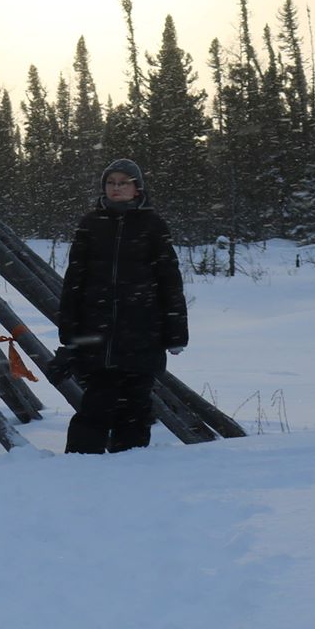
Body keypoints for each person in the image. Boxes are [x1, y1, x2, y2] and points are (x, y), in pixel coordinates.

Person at [55, 159, 188, 455]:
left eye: (123, 182)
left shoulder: (153, 225)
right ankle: (79, 467)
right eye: (111, 182)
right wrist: (69, 329)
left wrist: (176, 332)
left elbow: (170, 280)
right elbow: (74, 279)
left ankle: (130, 469)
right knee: (95, 405)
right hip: (97, 333)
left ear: (136, 188)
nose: (116, 188)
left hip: (142, 332)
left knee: (136, 406)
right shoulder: (91, 223)